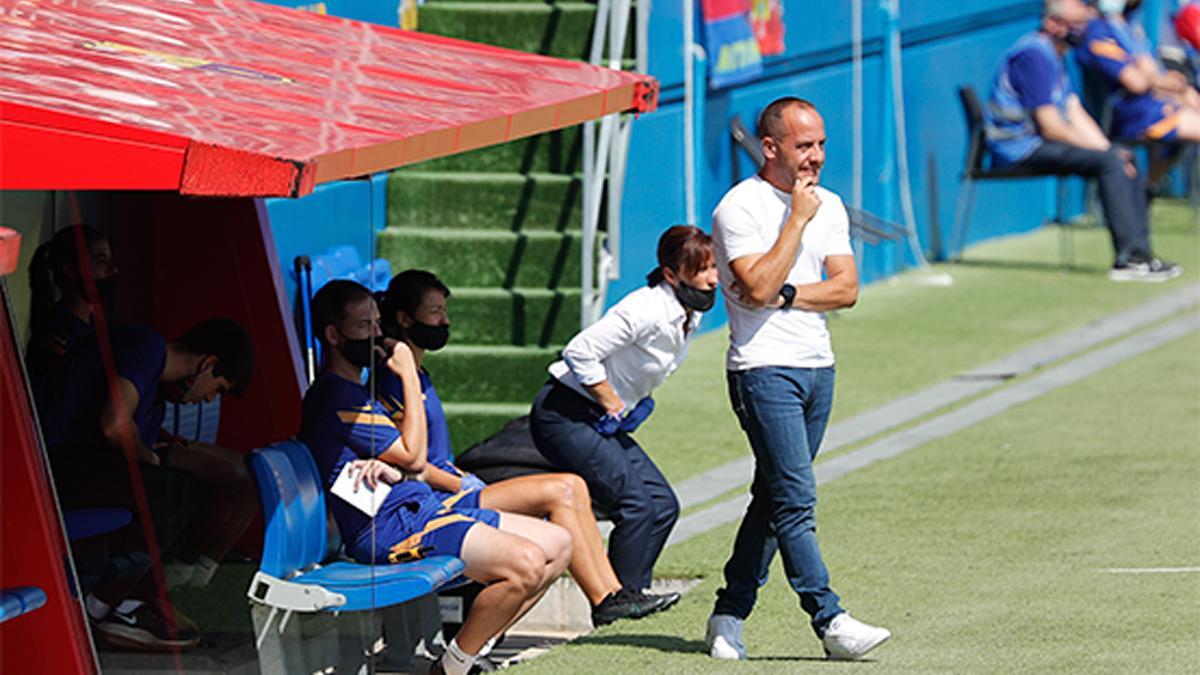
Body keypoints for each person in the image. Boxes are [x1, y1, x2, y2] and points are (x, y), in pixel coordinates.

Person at [374, 269, 677, 627]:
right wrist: (460, 483)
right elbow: (413, 463)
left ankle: (613, 595)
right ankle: (606, 600)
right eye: (435, 312)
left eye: (445, 310)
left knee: (573, 486)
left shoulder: (419, 376)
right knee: (561, 491)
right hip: (432, 501)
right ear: (405, 319)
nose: (445, 320)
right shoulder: (396, 382)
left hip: (450, 489)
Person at [300, 280, 570, 675]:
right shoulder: (336, 395)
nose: (377, 334)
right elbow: (415, 455)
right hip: (387, 529)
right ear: (332, 335)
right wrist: (408, 373)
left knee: (559, 544)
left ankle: (467, 652)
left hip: (416, 509)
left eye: (377, 324)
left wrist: (391, 467)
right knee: (526, 565)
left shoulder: (356, 389)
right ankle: (455, 667)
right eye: (364, 327)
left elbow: (399, 461)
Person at [705, 97, 890, 661]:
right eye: (803, 146)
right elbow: (754, 288)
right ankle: (829, 619)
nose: (815, 158)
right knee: (795, 499)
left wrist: (788, 294)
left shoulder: (828, 204)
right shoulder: (740, 208)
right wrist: (796, 222)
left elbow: (846, 288)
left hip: (818, 368)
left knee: (773, 495)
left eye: (821, 145)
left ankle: (728, 612)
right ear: (770, 147)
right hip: (762, 371)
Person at [37, 318, 256, 651]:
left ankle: (134, 599)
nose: (209, 399)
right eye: (218, 388)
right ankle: (104, 609)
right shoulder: (147, 346)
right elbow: (115, 425)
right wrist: (151, 459)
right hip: (47, 464)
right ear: (207, 364)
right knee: (174, 491)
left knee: (185, 487)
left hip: (80, 469)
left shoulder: (154, 404)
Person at [529, 225, 717, 602]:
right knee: (636, 505)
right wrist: (611, 400)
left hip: (596, 420)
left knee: (663, 506)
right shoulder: (644, 309)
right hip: (563, 414)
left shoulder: (686, 310)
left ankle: (632, 593)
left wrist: (634, 402)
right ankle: (616, 602)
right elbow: (579, 350)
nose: (713, 279)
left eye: (715, 268)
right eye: (702, 270)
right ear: (671, 274)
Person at [984, 0, 1181, 282]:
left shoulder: (1056, 55)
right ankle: (1129, 259)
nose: (1082, 31)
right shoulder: (1034, 55)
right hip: (1018, 147)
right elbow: (1052, 127)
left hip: (1038, 142)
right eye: (1074, 25)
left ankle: (1144, 254)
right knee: (1110, 163)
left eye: (1084, 25)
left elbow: (1074, 111)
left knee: (1123, 156)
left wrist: (1109, 149)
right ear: (1053, 25)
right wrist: (1106, 154)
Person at [1076, 0, 1200, 184]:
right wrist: (1154, 78)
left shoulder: (1130, 27)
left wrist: (1167, 84)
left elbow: (1150, 71)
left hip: (1154, 105)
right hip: (1131, 115)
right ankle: (1146, 191)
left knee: (1189, 97)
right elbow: (1136, 83)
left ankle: (1147, 191)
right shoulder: (1098, 31)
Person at [25, 224, 118, 380]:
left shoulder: (96, 324)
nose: (113, 269)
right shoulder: (55, 332)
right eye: (101, 261)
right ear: (71, 271)